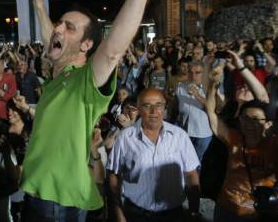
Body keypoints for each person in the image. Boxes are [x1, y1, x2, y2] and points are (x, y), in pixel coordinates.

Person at [21, 0, 168, 220]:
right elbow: (54, 39)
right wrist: (39, 6)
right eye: (59, 23)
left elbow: (112, 51)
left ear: (87, 45)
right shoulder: (57, 76)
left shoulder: (83, 82)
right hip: (36, 195)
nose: (58, 29)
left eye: (69, 27)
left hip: (58, 205)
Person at [107, 88, 201, 222]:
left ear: (164, 108)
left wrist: (193, 211)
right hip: (135, 214)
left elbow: (191, 175)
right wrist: (118, 213)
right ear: (139, 109)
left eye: (159, 105)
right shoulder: (125, 138)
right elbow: (113, 175)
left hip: (173, 216)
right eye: (147, 106)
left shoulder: (180, 136)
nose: (154, 111)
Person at [206, 54, 278, 222]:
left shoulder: (274, 145)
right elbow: (210, 112)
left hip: (257, 213)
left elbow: (262, 97)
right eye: (245, 118)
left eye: (255, 119)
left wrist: (241, 66)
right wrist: (212, 84)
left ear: (267, 123)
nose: (250, 123)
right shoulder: (234, 138)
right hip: (226, 209)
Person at [176, 61, 212, 161]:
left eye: (197, 72)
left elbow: (214, 107)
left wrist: (198, 96)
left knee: (196, 161)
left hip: (203, 133)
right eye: (191, 72)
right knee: (183, 160)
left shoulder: (209, 88)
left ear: (204, 73)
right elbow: (176, 106)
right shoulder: (180, 86)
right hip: (184, 131)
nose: (193, 76)